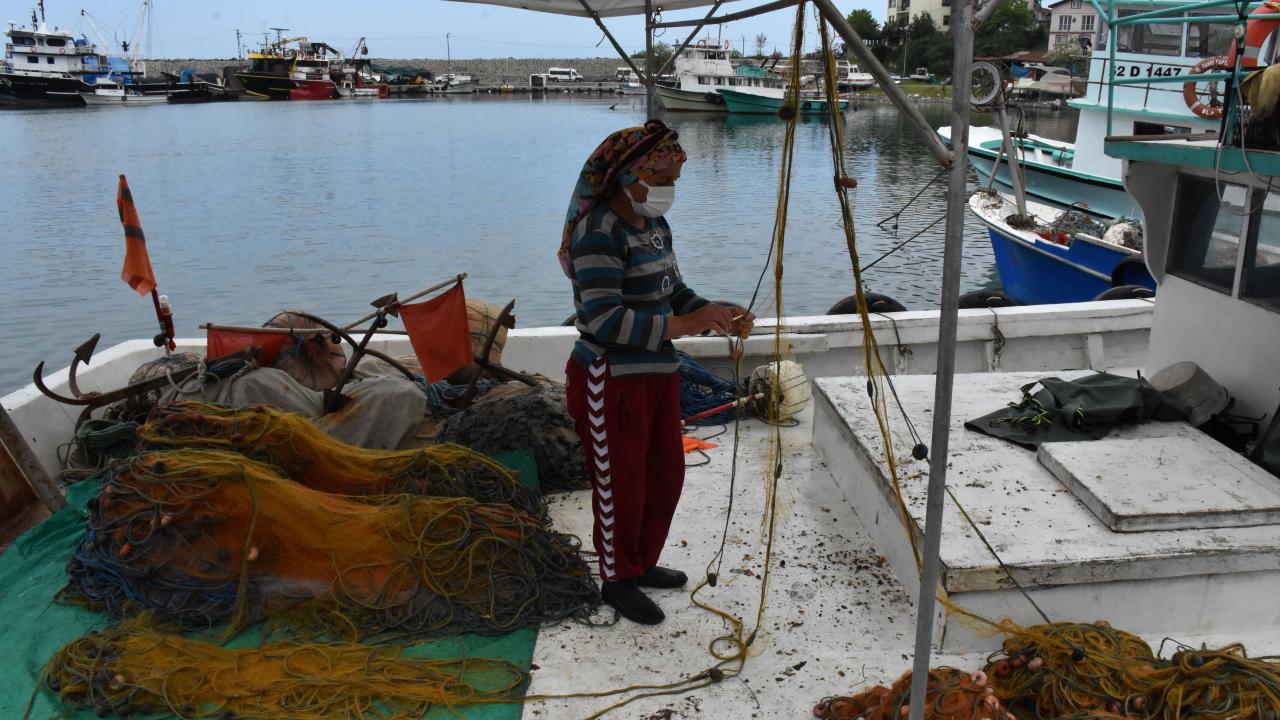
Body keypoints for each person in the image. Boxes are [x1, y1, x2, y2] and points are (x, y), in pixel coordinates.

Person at [561, 119, 754, 625]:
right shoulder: (597, 232)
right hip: (610, 377)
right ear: (631, 178)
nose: (669, 191)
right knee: (619, 481)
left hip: (658, 373)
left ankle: (641, 562)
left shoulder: (654, 226)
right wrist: (687, 325)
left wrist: (715, 310)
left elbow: (675, 291)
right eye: (663, 180)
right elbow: (604, 318)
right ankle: (616, 578)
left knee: (663, 475)